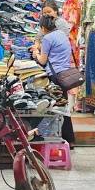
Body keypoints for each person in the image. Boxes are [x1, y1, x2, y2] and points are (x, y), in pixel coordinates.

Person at [32, 14, 76, 146]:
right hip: (65, 74)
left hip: (54, 76)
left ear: (43, 28)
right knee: (63, 106)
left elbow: (43, 60)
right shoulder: (62, 35)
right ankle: (69, 139)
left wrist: (36, 53)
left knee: (52, 108)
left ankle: (56, 139)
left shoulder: (47, 38)